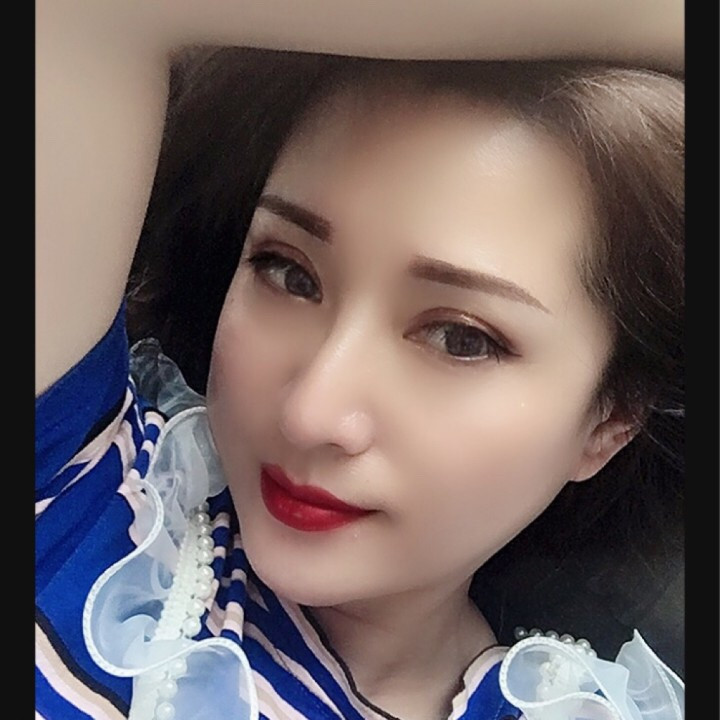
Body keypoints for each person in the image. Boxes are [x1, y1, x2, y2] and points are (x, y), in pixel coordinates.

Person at [36, 3, 684, 720]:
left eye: (460, 338)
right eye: (289, 273)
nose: (310, 413)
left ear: (610, 422)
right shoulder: (80, 494)